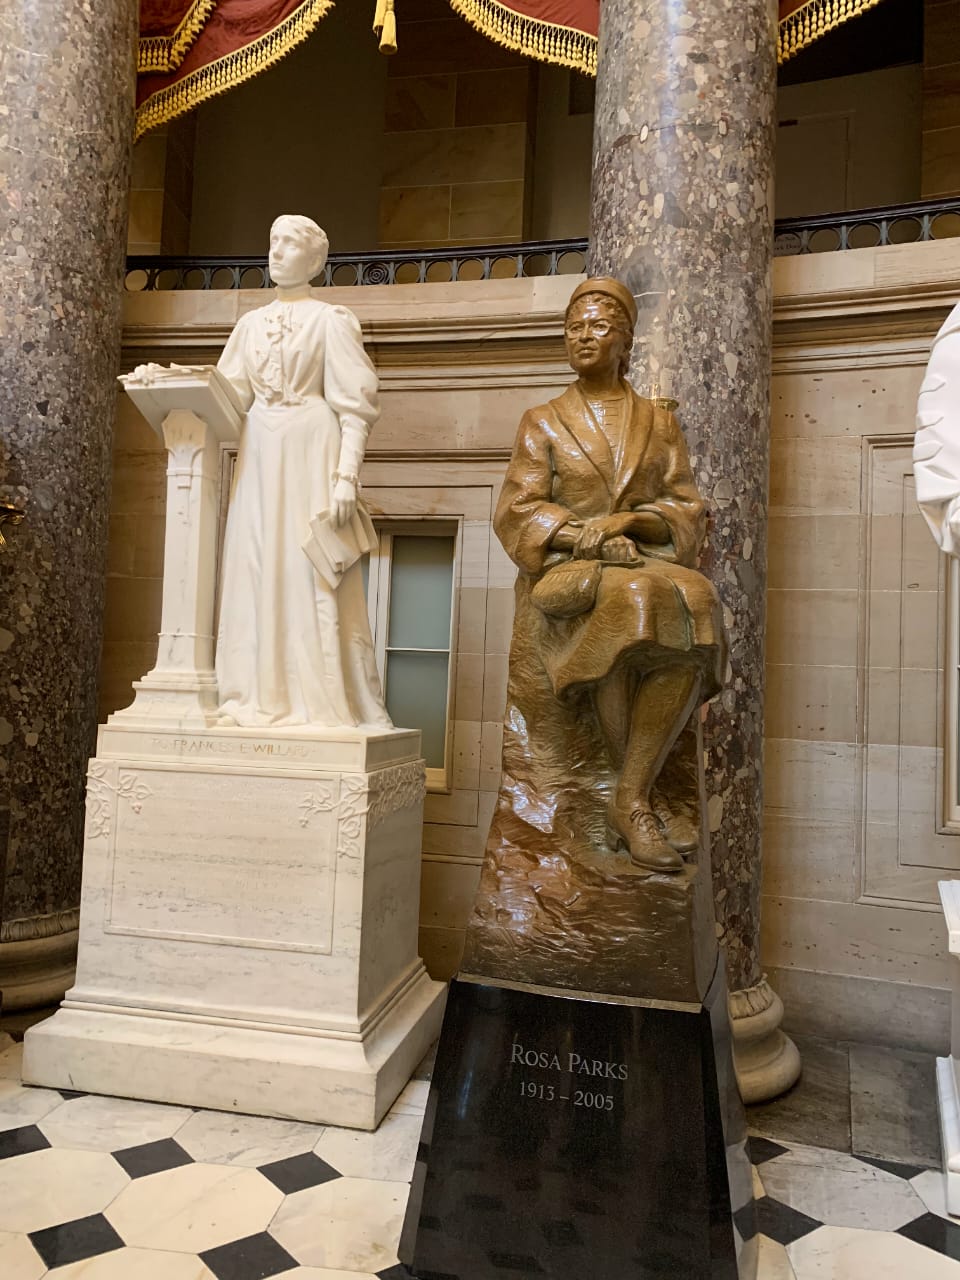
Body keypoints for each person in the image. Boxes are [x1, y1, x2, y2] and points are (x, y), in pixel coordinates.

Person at [489, 277, 726, 872]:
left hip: (640, 557)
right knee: (639, 599)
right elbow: (516, 509)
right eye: (573, 329)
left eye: (597, 327)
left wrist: (631, 525)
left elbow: (684, 505)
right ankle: (635, 802)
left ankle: (630, 793)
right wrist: (584, 536)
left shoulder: (658, 421)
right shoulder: (542, 420)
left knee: (698, 597)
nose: (582, 338)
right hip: (568, 570)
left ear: (625, 339)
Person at [213, 214, 391, 728]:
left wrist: (345, 475)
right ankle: (255, 693)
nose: (276, 252)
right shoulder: (247, 326)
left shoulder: (331, 320)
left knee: (309, 567)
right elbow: (227, 396)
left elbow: (355, 405)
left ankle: (321, 700)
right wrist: (174, 381)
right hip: (260, 448)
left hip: (313, 444)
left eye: (289, 244)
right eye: (272, 242)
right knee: (255, 562)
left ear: (314, 260)